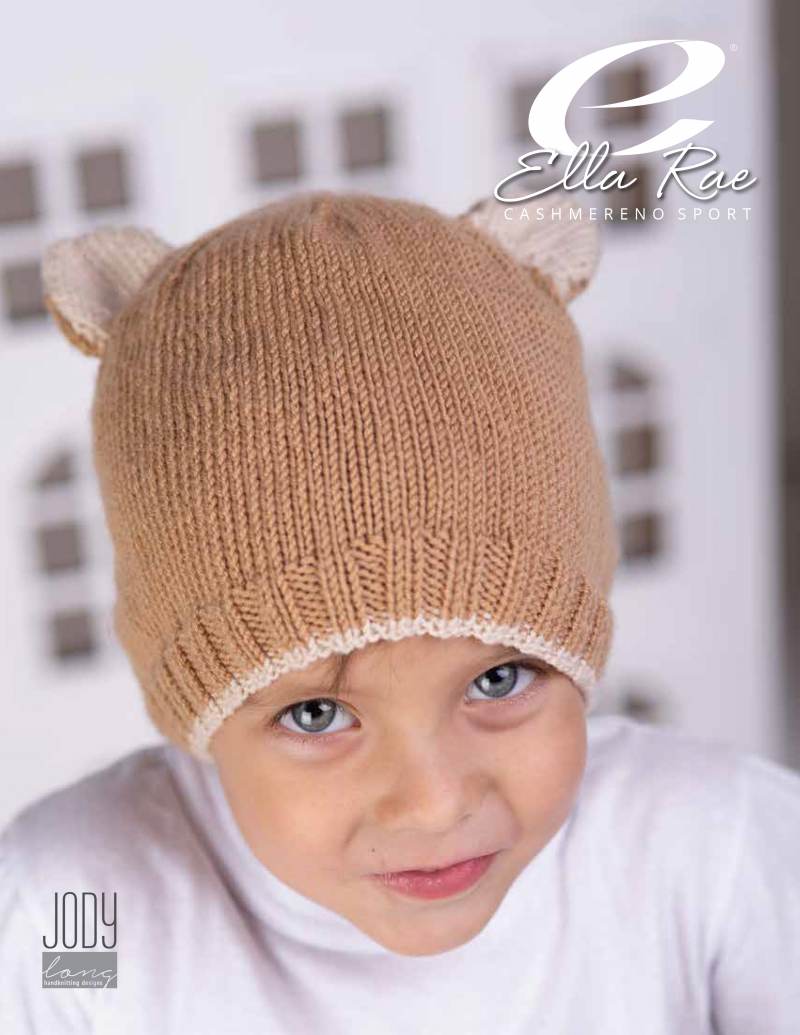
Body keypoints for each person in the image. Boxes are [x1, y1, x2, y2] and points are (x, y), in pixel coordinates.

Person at [0, 189, 798, 1034]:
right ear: (194, 710)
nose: (435, 802)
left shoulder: (711, 853)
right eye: (317, 713)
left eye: (500, 679)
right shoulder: (81, 904)